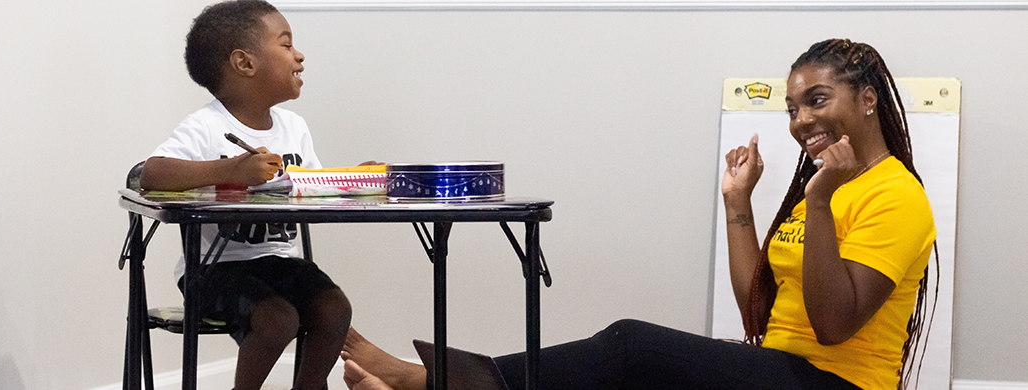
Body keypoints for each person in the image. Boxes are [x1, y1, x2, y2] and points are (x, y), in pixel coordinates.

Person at [339, 38, 936, 390]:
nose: (802, 120)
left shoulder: (893, 195)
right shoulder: (828, 187)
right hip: (781, 366)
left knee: (629, 345)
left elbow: (833, 328)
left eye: (817, 100)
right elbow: (759, 310)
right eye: (793, 107)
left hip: (838, 385)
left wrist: (822, 203)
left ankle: (434, 383)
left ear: (867, 99)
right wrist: (738, 205)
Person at [140, 1, 353, 389]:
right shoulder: (207, 125)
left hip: (278, 261)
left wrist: (353, 179)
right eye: (286, 45)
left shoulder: (294, 127)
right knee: (278, 319)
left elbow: (313, 187)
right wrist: (231, 169)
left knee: (334, 308)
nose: (299, 55)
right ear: (245, 64)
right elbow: (152, 174)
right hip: (212, 270)